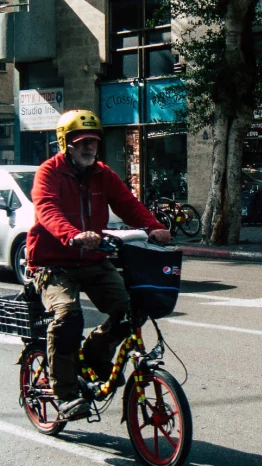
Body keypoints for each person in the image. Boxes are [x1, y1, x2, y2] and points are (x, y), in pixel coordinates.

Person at [26, 109, 171, 419]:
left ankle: (93, 355)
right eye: (81, 142)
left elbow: (129, 206)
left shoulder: (103, 174)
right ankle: (66, 394)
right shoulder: (48, 173)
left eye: (93, 142)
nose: (88, 148)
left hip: (93, 259)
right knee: (67, 316)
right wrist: (73, 236)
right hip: (53, 263)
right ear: (65, 143)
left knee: (133, 309)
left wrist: (153, 227)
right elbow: (48, 211)